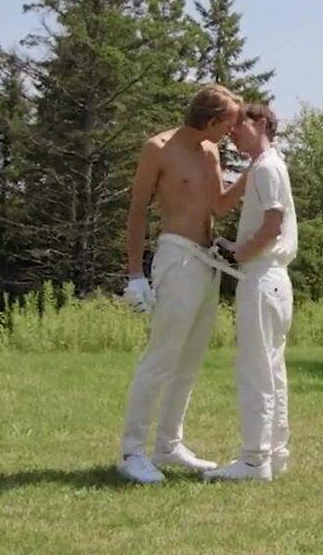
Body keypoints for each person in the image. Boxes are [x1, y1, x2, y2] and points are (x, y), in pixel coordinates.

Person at [117, 84, 248, 485]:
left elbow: (218, 204)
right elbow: (137, 210)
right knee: (161, 357)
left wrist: (255, 169)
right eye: (228, 123)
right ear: (210, 120)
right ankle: (131, 452)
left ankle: (169, 445)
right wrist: (135, 273)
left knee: (189, 360)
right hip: (176, 257)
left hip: (207, 261)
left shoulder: (211, 151)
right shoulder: (157, 148)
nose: (231, 131)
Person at [204, 103, 298, 482]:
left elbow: (273, 225)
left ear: (260, 123)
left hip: (262, 278)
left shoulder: (267, 167)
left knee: (255, 370)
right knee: (271, 369)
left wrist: (238, 254)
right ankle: (275, 452)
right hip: (272, 279)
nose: (232, 134)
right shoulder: (264, 166)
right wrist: (233, 247)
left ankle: (255, 459)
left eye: (238, 126)